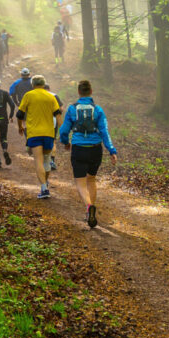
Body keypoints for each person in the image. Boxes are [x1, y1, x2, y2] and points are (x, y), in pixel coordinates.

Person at [59, 79, 118, 228]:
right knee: (91, 180)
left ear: (79, 92)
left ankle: (88, 207)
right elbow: (104, 131)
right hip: (95, 149)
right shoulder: (98, 110)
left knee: (80, 182)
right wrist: (111, 150)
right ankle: (90, 209)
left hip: (78, 148)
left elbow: (64, 130)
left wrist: (66, 142)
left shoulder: (72, 109)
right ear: (91, 92)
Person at [16, 75, 62, 199]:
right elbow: (58, 115)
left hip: (34, 133)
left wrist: (20, 126)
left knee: (38, 160)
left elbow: (20, 114)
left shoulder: (29, 95)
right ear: (44, 83)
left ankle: (44, 188)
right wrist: (62, 131)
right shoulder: (51, 97)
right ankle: (45, 184)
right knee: (46, 160)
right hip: (49, 133)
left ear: (32, 84)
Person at [44, 82, 63, 171]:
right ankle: (52, 161)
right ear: (49, 89)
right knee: (53, 141)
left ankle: (43, 160)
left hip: (41, 120)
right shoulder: (54, 95)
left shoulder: (38, 95)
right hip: (53, 120)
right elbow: (61, 109)